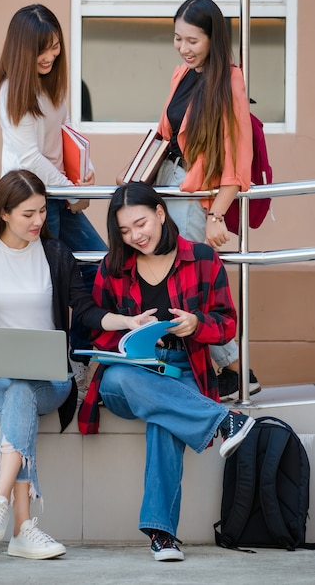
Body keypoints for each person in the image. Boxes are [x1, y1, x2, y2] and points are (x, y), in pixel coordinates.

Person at [0, 170, 156, 560]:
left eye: (42, 211)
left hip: (53, 381)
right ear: (3, 213)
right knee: (18, 392)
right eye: (27, 214)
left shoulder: (55, 253)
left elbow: (86, 310)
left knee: (26, 389)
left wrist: (127, 321)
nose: (38, 221)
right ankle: (22, 528)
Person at [78, 182, 255, 561]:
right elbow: (91, 320)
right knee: (124, 379)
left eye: (140, 223)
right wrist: (126, 324)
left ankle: (162, 535)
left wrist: (195, 324)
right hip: (129, 375)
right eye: (124, 231)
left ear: (160, 212)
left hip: (183, 367)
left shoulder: (203, 258)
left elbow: (226, 324)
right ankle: (225, 421)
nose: (135, 236)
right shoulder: (114, 266)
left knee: (165, 420)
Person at [0, 3, 106, 395]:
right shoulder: (12, 93)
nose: (51, 56)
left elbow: (63, 137)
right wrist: (74, 190)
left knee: (99, 265)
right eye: (42, 49)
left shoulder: (52, 83)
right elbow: (30, 159)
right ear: (22, 50)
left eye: (55, 46)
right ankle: (62, 366)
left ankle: (82, 357)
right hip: (34, 199)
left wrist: (81, 175)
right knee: (53, 281)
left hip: (58, 194)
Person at [154, 0, 260, 401]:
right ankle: (218, 370)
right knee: (169, 279)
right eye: (178, 38)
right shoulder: (183, 74)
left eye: (193, 40)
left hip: (197, 194)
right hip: (167, 183)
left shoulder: (229, 79)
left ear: (213, 39)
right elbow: (165, 133)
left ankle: (235, 369)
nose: (183, 47)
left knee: (191, 284)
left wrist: (217, 214)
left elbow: (237, 156)